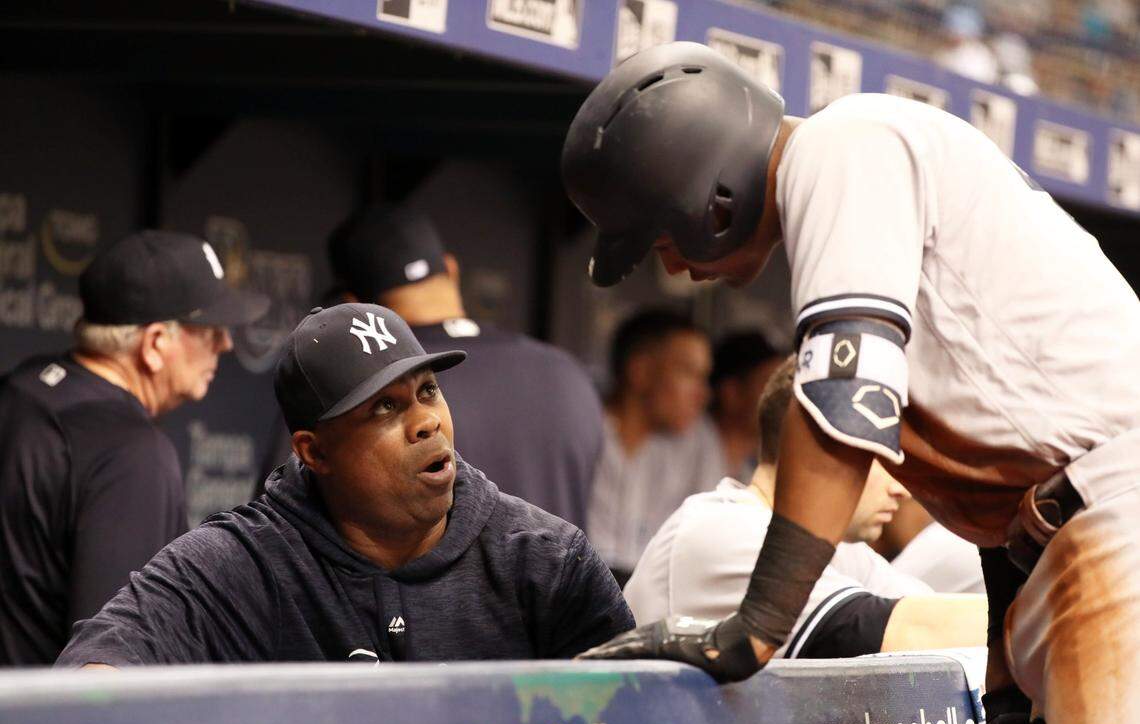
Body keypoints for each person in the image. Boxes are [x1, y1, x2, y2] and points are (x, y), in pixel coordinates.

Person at [562, 42, 1140, 724]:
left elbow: (844, 404)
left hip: (1114, 511)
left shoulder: (843, 147)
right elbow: (1012, 477)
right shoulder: (859, 156)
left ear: (711, 196)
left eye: (659, 237)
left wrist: (756, 627)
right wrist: (1006, 671)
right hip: (1077, 517)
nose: (672, 264)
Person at [56, 304, 632, 667]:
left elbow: (640, 719)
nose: (426, 421)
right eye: (385, 407)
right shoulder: (243, 563)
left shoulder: (544, 560)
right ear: (314, 450)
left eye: (427, 391)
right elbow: (100, 668)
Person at [0, 230, 268, 667]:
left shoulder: (20, 389)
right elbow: (115, 663)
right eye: (210, 330)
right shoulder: (130, 453)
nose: (226, 344)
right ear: (156, 342)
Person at [624, 357, 985, 657]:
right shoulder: (724, 526)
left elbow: (937, 618)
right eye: (883, 459)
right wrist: (1036, 616)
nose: (901, 489)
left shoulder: (845, 553)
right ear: (814, 447)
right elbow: (908, 633)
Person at [300, 203, 603, 529]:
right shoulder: (567, 373)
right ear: (450, 269)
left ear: (351, 306)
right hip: (557, 578)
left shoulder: (360, 387)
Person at [588, 308, 724, 583]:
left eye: (704, 377)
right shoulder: (581, 430)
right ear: (640, 371)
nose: (703, 393)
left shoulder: (698, 441)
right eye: (689, 374)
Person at [709, 331, 783, 481]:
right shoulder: (679, 448)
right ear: (731, 393)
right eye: (772, 386)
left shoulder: (749, 470)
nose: (785, 400)